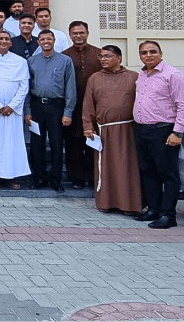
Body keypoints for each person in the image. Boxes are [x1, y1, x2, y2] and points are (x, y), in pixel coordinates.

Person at [82, 45, 143, 214]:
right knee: (106, 168)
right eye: (101, 56)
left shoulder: (134, 77)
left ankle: (130, 205)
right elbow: (88, 105)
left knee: (128, 168)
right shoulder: (94, 78)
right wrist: (88, 126)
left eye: (108, 56)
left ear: (119, 58)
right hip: (104, 132)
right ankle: (107, 203)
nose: (103, 59)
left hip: (128, 130)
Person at [132, 41, 184, 229]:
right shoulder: (142, 75)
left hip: (164, 130)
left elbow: (182, 104)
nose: (148, 55)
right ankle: (153, 209)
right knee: (148, 171)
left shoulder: (172, 75)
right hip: (143, 130)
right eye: (144, 52)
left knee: (168, 173)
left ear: (161, 53)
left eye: (153, 52)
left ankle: (168, 215)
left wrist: (177, 132)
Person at [25, 29, 76, 192]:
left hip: (57, 107)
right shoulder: (31, 61)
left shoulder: (65, 61)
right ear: (38, 42)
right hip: (37, 106)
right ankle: (39, 178)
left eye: (49, 39)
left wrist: (68, 112)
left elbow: (70, 87)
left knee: (56, 143)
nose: (46, 41)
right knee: (37, 144)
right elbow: (27, 87)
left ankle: (56, 180)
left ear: (54, 41)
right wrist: (27, 110)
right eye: (42, 39)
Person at [0, 31, 31, 189]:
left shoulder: (20, 62)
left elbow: (24, 87)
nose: (3, 41)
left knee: (13, 143)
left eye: (6, 39)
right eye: (0, 39)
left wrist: (12, 106)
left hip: (12, 111)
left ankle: (11, 176)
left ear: (11, 43)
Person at [61, 20, 101, 189]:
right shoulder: (64, 56)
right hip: (72, 106)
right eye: (75, 33)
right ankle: (76, 177)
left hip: (95, 106)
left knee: (92, 141)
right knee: (73, 143)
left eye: (81, 33)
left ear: (87, 33)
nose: (78, 36)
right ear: (70, 35)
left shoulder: (99, 54)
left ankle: (93, 176)